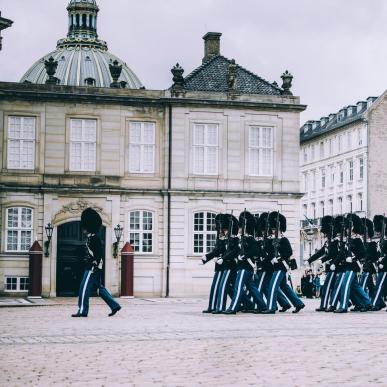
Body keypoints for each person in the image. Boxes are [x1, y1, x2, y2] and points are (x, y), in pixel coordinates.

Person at [72, 207, 121, 317]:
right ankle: (114, 305)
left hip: (93, 267)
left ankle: (82, 310)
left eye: (84, 227)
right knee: (100, 288)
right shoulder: (91, 237)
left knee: (83, 287)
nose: (82, 229)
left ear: (88, 227)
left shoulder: (95, 238)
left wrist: (95, 262)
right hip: (93, 266)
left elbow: (99, 253)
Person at [201, 214, 226, 313]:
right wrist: (206, 257)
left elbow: (224, 251)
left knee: (220, 287)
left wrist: (217, 257)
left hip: (226, 265)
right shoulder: (220, 237)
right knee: (217, 286)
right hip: (220, 265)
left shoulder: (229, 238)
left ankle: (219, 307)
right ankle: (212, 306)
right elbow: (216, 250)